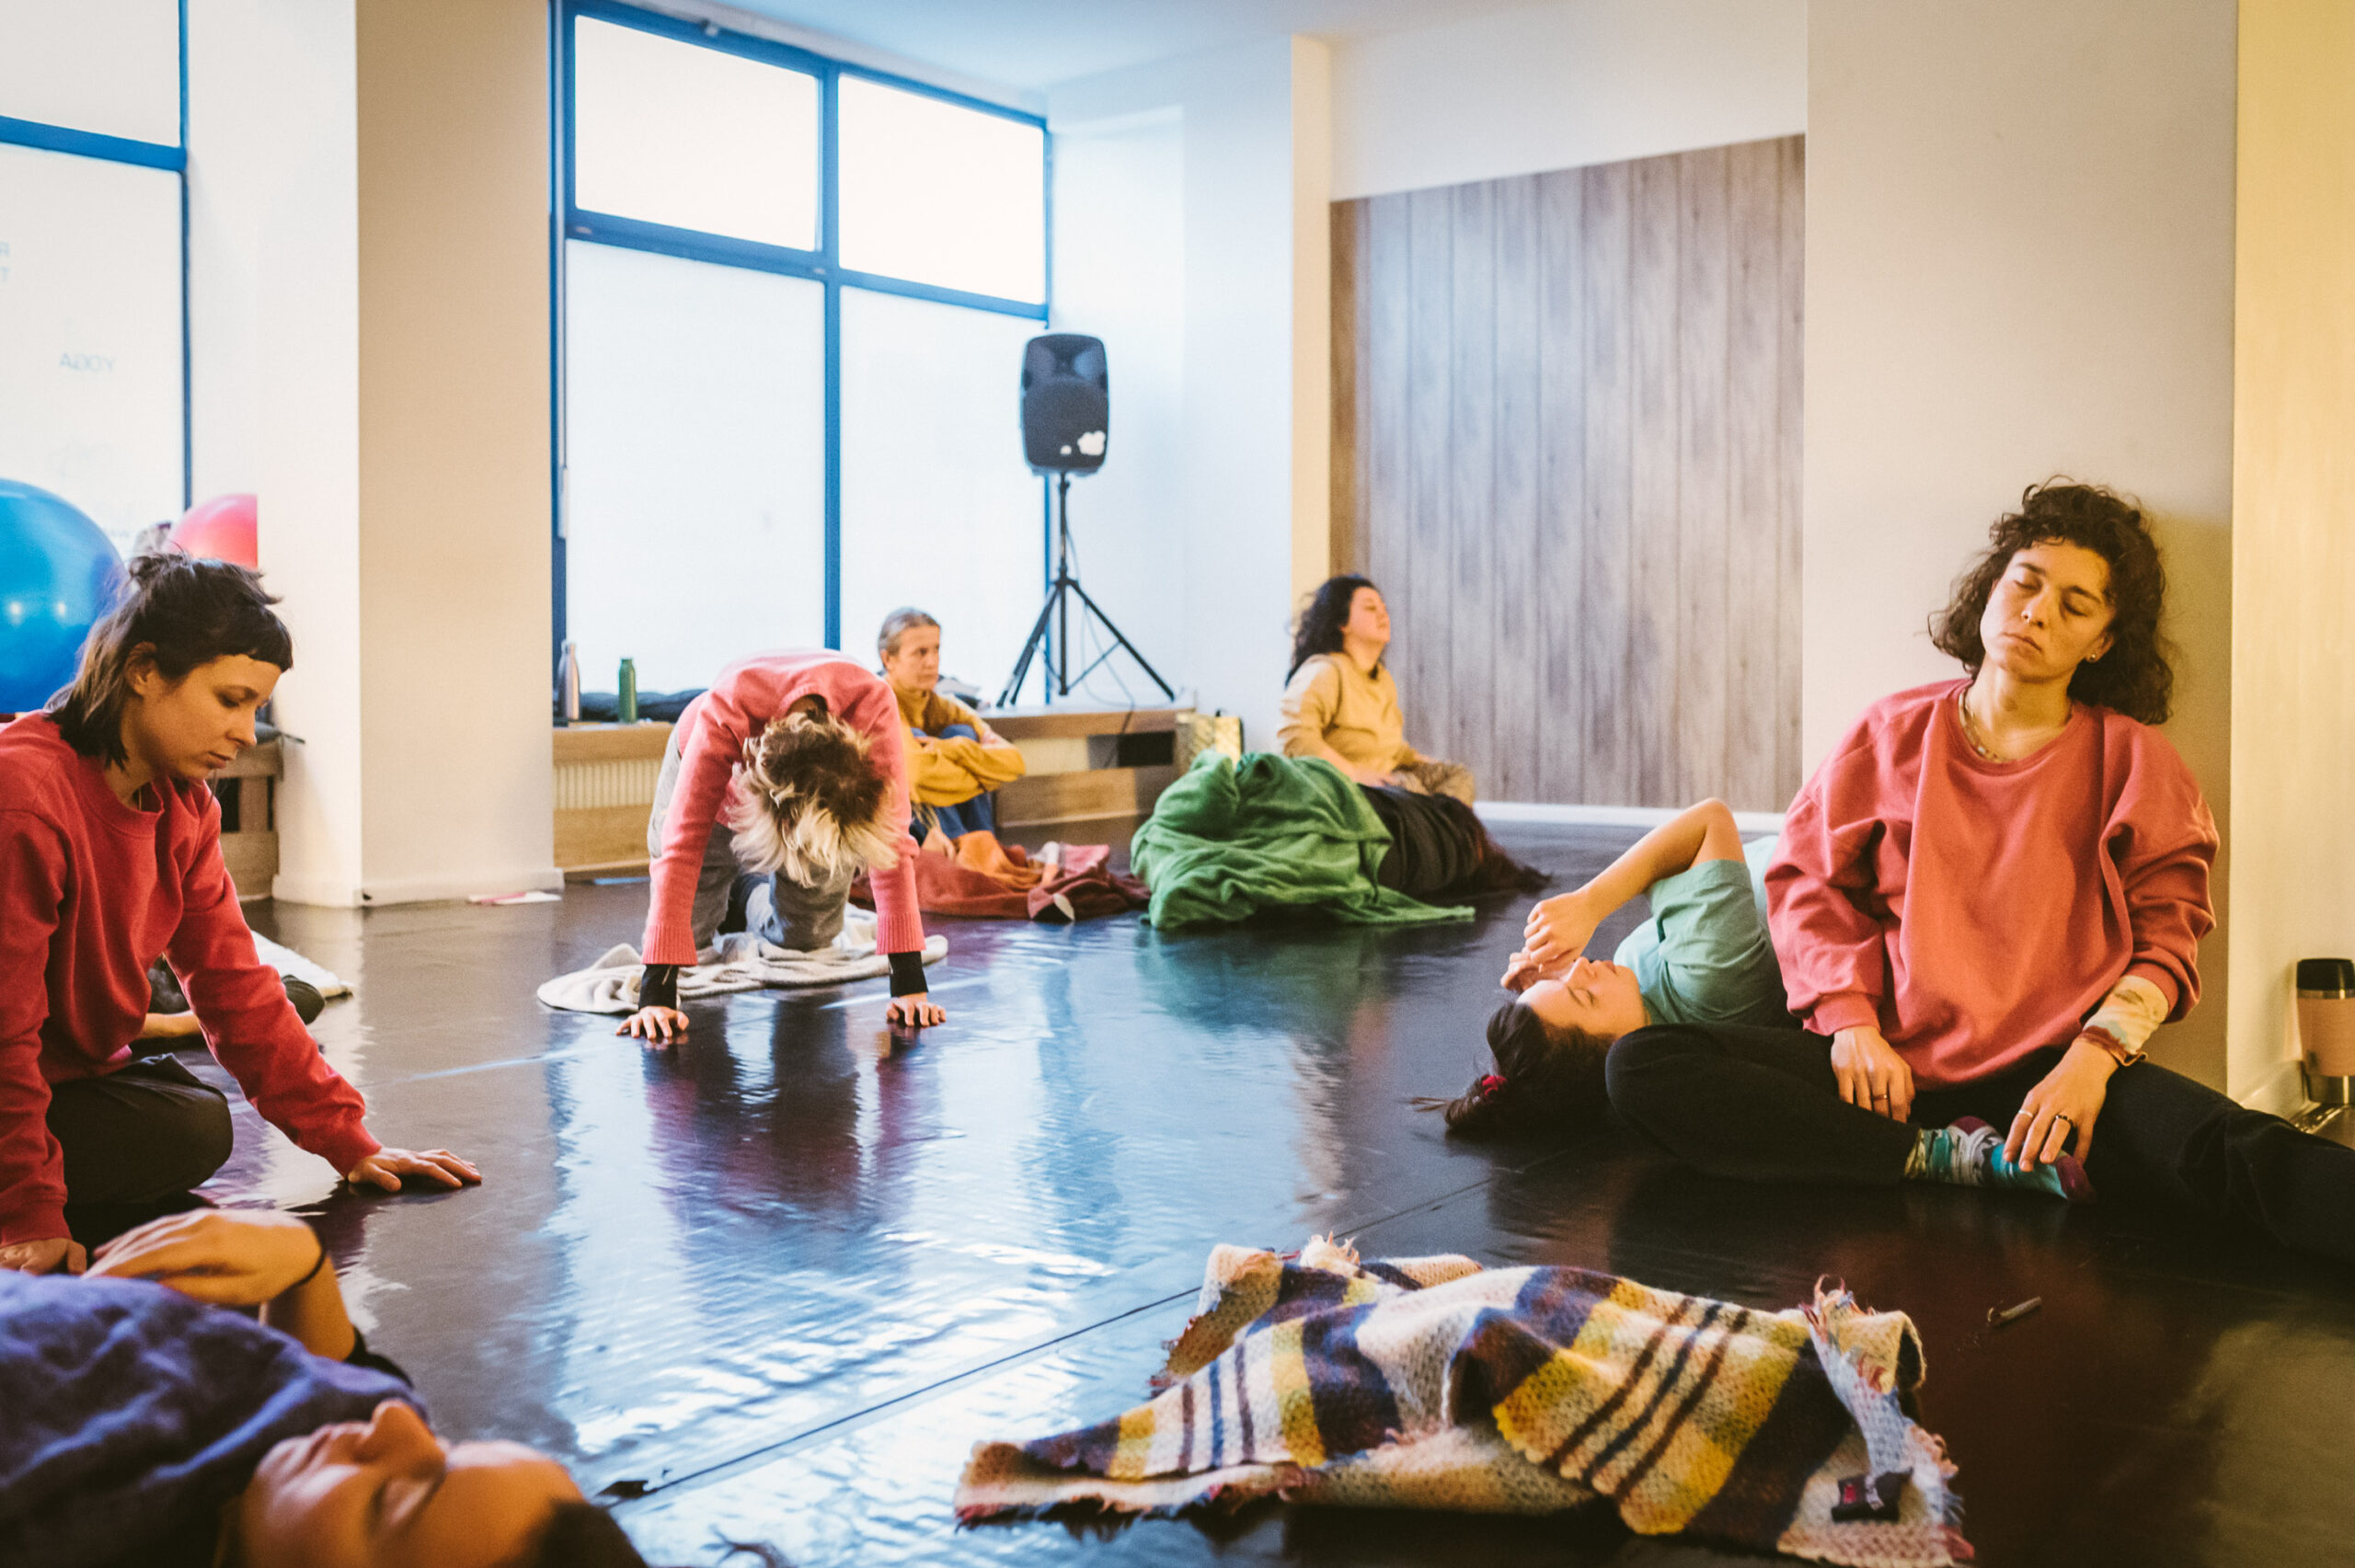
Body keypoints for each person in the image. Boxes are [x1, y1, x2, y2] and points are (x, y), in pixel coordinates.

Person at [1605, 482, 2355, 1260]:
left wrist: (2091, 1062)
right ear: (1993, 588)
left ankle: (1965, 1160)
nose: (2037, 612)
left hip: (2051, 1081)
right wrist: (1850, 1023)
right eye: (2025, 583)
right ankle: (1942, 1159)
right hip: (1886, 1076)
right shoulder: (1889, 734)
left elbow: (2167, 945)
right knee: (1644, 1065)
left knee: (2237, 1150)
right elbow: (1807, 884)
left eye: (2075, 605)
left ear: (2102, 642)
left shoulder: (2135, 763)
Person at [0, 555, 480, 1278]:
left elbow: (235, 984)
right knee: (178, 1124)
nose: (248, 732)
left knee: (195, 1123)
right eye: (231, 699)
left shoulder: (184, 806)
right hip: (17, 1061)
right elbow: (4, 1029)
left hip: (65, 1073)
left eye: (255, 707)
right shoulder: (25, 794)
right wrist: (28, 1215)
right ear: (143, 669)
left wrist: (351, 1143)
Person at [0, 1207, 644, 1567]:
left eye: (388, 1501)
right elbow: (341, 1368)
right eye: (448, 1447)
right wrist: (304, 1260)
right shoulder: (331, 1450)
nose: (395, 1424)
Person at [620, 648, 947, 1044]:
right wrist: (656, 993)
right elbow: (681, 847)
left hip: (817, 798)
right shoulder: (727, 708)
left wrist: (909, 985)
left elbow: (893, 845)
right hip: (711, 769)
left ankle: (746, 893)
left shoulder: (873, 706)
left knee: (808, 940)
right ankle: (728, 882)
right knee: (687, 943)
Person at [1420, 798, 1795, 1138]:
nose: (1581, 966)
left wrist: (1552, 991)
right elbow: (1709, 821)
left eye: (1565, 980)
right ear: (1616, 1053)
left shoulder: (1640, 1004)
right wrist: (1590, 903)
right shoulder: (1708, 985)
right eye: (1584, 997)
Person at [1279, 576, 1474, 804]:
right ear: (1342, 623)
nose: (1383, 615)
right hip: (1342, 787)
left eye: (1384, 609)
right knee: (1409, 789)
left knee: (1456, 776)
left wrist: (1425, 762)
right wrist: (1353, 772)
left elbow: (1390, 749)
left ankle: (1440, 822)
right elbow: (1293, 737)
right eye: (1371, 608)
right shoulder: (1325, 671)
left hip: (1387, 780)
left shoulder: (1382, 679)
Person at [876, 607, 1025, 844]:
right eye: (920, 652)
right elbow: (917, 776)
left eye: (936, 649)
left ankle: (983, 845)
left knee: (962, 733)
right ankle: (963, 848)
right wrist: (983, 774)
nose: (932, 662)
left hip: (938, 810)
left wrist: (955, 748)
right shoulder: (881, 704)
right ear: (888, 659)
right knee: (916, 739)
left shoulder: (945, 706)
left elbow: (1014, 762)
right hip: (892, 832)